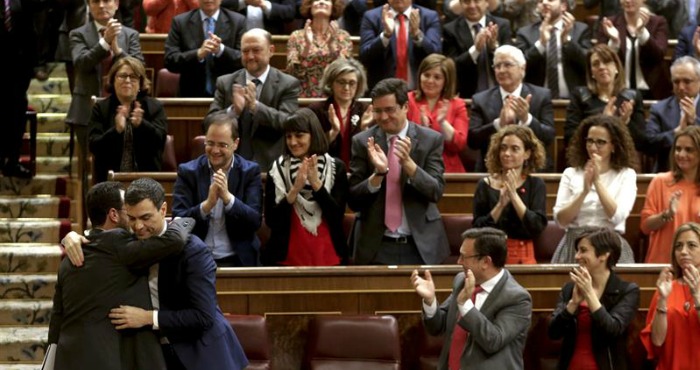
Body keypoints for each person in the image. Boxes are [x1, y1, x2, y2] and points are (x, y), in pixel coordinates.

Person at [49, 182, 194, 370]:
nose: (135, 222)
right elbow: (175, 240)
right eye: (129, 212)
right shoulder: (120, 244)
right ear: (114, 215)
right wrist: (183, 220)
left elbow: (56, 317)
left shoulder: (69, 258)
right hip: (106, 359)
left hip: (69, 357)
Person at [348, 78, 449, 265]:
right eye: (378, 111)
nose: (384, 117)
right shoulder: (363, 142)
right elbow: (353, 200)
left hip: (420, 245)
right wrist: (377, 175)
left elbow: (435, 191)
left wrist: (409, 165)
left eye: (390, 110)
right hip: (376, 246)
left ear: (405, 107)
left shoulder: (430, 140)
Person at [411, 227, 532, 369]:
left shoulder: (517, 299)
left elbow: (493, 341)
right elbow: (438, 326)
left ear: (486, 262)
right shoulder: (462, 281)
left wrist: (465, 304)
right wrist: (430, 301)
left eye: (464, 256)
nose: (458, 261)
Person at [67, 0, 143, 189]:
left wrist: (117, 49)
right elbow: (82, 63)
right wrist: (104, 43)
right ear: (88, 5)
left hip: (123, 110)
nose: (101, 5)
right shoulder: (77, 34)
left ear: (116, 4)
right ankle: (91, 214)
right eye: (95, 1)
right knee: (89, 170)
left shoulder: (131, 34)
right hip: (85, 111)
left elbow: (138, 70)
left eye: (107, 1)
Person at [172, 113, 263, 267]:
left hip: (238, 260)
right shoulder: (188, 172)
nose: (215, 150)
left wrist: (228, 199)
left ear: (236, 143)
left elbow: (255, 221)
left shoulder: (250, 172)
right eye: (210, 143)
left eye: (222, 145)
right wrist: (206, 206)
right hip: (196, 259)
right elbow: (178, 219)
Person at [263, 108, 349, 266]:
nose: (293, 142)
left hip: (329, 254)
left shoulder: (337, 167)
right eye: (288, 136)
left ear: (313, 135)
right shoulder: (276, 169)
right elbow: (271, 220)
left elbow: (337, 217)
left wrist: (317, 185)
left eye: (299, 135)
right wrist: (294, 190)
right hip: (286, 257)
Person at [208, 28, 301, 172]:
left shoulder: (287, 84)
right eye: (245, 51)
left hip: (272, 167)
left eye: (256, 50)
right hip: (230, 166)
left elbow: (288, 122)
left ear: (271, 50)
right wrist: (233, 112)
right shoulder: (225, 82)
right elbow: (208, 122)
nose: (250, 56)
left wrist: (255, 107)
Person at [548, 227, 640, 370]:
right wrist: (572, 305)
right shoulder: (569, 289)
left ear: (603, 255)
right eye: (577, 251)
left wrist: (589, 294)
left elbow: (613, 329)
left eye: (583, 250)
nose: (577, 256)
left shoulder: (627, 291)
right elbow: (553, 332)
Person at [552, 114, 638, 264]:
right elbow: (561, 220)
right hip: (575, 243)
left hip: (609, 242)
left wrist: (597, 182)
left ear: (613, 146)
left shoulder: (626, 175)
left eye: (600, 142)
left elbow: (617, 216)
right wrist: (584, 191)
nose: (593, 148)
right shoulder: (570, 173)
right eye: (590, 141)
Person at [468, 45, 555, 172]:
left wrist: (526, 119)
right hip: (492, 171)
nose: (501, 70)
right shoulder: (480, 100)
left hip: (533, 170)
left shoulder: (541, 96)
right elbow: (472, 141)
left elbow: (549, 137)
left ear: (522, 68)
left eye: (507, 65)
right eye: (497, 66)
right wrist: (498, 124)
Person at [473, 125, 547, 264]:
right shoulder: (484, 185)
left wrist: (514, 196)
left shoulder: (536, 184)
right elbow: (477, 228)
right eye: (503, 148)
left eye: (514, 149)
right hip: (489, 255)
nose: (506, 153)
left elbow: (537, 226)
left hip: (522, 256)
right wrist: (500, 205)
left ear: (527, 154)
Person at [88, 57, 168, 183]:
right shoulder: (101, 108)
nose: (128, 80)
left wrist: (142, 125)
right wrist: (116, 130)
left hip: (146, 181)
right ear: (113, 80)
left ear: (141, 83)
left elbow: (160, 143)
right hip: (109, 182)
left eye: (133, 77)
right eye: (122, 76)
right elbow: (94, 146)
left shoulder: (155, 107)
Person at [640, 222, 700, 370]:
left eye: (691, 245)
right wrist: (662, 300)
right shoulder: (666, 288)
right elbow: (657, 341)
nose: (683, 251)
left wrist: (697, 297)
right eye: (678, 246)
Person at [565, 44, 646, 152]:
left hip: (622, 160)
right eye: (596, 64)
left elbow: (643, 143)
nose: (602, 67)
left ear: (616, 68)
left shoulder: (632, 97)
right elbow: (570, 138)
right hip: (589, 158)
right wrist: (603, 120)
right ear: (591, 73)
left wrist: (625, 123)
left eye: (607, 62)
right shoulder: (580, 96)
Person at [641, 126, 700, 263]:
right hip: (663, 264)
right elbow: (645, 226)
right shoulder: (660, 181)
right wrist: (666, 214)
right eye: (678, 149)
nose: (681, 154)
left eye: (689, 150)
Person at [164, 0, 246, 97]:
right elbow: (169, 60)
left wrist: (221, 50)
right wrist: (197, 54)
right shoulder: (180, 22)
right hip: (190, 95)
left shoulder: (238, 21)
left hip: (228, 95)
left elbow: (243, 59)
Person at [515, 0, 592, 99]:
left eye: (550, 0)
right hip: (536, 100)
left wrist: (567, 41)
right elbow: (519, 67)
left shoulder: (581, 30)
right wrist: (541, 44)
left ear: (563, 6)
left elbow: (588, 63)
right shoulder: (525, 33)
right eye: (540, 1)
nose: (545, 2)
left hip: (574, 100)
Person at [407, 54, 469, 173]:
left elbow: (459, 144)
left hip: (447, 169)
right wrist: (422, 129)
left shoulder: (457, 104)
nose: (430, 81)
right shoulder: (408, 100)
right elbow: (400, 137)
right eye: (426, 75)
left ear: (446, 81)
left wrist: (442, 123)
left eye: (437, 77)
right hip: (414, 166)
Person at [597, 0, 672, 100]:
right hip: (618, 91)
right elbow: (601, 59)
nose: (628, 1)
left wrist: (642, 32)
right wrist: (614, 42)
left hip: (651, 91)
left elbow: (659, 55)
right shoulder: (610, 23)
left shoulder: (658, 22)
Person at [358, 0, 442, 89]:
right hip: (384, 92)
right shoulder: (372, 17)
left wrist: (417, 35)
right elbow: (364, 56)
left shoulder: (429, 17)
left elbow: (436, 55)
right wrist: (386, 35)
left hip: (420, 92)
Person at [307, 58, 373, 166]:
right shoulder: (316, 110)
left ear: (358, 85)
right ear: (331, 83)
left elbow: (374, 151)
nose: (346, 88)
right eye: (341, 82)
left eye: (352, 83)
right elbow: (311, 149)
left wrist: (365, 129)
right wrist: (333, 132)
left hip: (358, 170)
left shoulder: (366, 111)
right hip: (325, 170)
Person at [441, 0, 512, 99]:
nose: (472, 6)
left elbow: (512, 61)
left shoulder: (502, 25)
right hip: (468, 96)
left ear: (486, 3)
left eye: (477, 1)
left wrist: (494, 48)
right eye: (466, 2)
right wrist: (475, 50)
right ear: (461, 4)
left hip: (501, 93)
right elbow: (451, 66)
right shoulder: (450, 29)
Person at [286, 0, 353, 97]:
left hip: (334, 97)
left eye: (326, 0)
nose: (321, 2)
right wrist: (307, 46)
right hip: (303, 97)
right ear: (310, 6)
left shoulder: (342, 36)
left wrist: (331, 46)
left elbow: (345, 71)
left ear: (333, 7)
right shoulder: (296, 36)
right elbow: (292, 73)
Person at [1, 0, 36, 178]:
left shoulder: (19, 2)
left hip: (17, 69)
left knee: (17, 114)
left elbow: (30, 32)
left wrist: (29, 69)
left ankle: (12, 162)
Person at [647, 56, 700, 172]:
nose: (681, 87)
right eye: (676, 82)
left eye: (687, 81)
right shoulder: (659, 109)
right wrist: (676, 132)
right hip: (668, 173)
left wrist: (694, 122)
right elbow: (649, 144)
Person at [220, 0, 296, 34]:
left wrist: (265, 5)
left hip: (271, 39)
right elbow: (220, 4)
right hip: (237, 40)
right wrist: (244, 2)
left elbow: (290, 12)